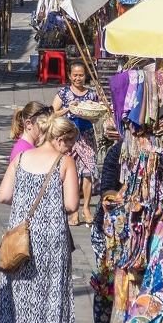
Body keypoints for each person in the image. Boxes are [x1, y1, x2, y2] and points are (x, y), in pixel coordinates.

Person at [0, 113, 79, 323]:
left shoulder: (20, 158)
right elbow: (71, 205)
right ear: (59, 139)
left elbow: (4, 195)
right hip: (53, 239)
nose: (71, 149)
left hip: (22, 239)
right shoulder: (65, 162)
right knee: (54, 296)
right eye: (69, 143)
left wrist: (24, 205)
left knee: (25, 299)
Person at [52, 61, 99, 226]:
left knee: (88, 171)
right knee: (70, 173)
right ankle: (74, 211)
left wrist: (89, 114)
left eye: (81, 75)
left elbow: (97, 114)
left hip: (86, 136)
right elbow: (52, 113)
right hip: (68, 138)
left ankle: (86, 207)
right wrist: (68, 109)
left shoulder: (92, 94)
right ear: (70, 75)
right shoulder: (64, 93)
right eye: (75, 75)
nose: (78, 78)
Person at [90, 136, 123, 323]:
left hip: (141, 228)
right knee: (106, 284)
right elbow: (106, 190)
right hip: (108, 228)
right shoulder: (117, 152)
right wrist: (121, 198)